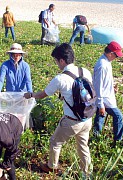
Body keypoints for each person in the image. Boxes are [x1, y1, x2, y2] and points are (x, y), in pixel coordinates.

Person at [24, 43, 92, 177]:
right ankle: (87, 173)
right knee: (83, 146)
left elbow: (43, 94)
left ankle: (51, 167)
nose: (57, 64)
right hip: (87, 118)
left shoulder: (60, 78)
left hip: (72, 121)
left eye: (56, 61)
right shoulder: (84, 71)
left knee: (55, 142)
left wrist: (30, 95)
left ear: (62, 60)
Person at [93, 41, 123, 147]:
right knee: (118, 116)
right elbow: (98, 86)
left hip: (106, 96)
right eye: (116, 55)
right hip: (104, 99)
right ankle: (117, 141)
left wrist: (112, 88)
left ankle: (95, 139)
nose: (116, 58)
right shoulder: (102, 65)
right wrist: (101, 104)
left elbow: (105, 82)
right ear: (110, 53)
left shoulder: (106, 62)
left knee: (100, 117)